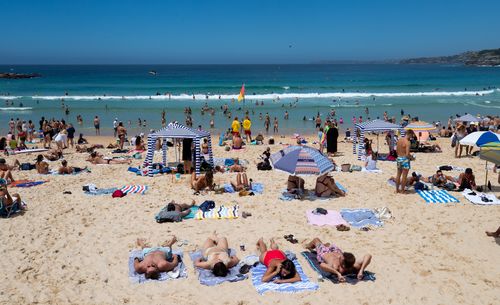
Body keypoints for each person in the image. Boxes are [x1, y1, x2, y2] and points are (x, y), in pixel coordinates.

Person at [305, 238, 372, 281]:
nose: (340, 257)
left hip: (324, 252)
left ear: (343, 264)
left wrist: (337, 273)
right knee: (330, 246)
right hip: (336, 251)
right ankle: (326, 245)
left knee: (316, 240)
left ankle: (308, 246)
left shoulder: (335, 266)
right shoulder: (353, 266)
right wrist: (361, 270)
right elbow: (368, 255)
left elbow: (322, 265)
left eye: (341, 258)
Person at [395, 129, 414, 194]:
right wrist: (412, 158)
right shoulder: (408, 142)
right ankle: (402, 190)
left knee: (398, 175)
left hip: (399, 158)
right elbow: (407, 154)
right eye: (412, 135)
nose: (411, 137)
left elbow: (396, 150)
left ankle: (397, 190)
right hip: (405, 159)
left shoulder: (399, 140)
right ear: (410, 134)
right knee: (404, 176)